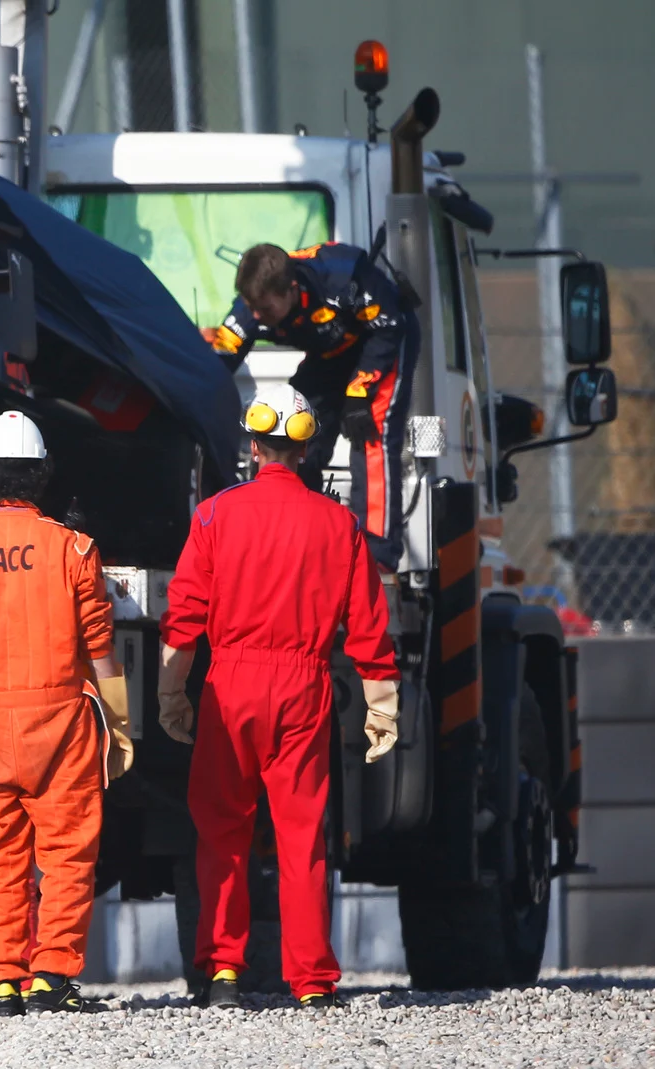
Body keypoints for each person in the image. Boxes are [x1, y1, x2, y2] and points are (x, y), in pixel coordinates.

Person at [156, 384, 401, 1011]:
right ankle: (312, 982)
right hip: (304, 686)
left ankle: (223, 972)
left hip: (231, 686)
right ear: (306, 449)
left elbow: (184, 615)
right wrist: (382, 705)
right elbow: (367, 624)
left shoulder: (215, 515)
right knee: (301, 835)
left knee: (222, 831)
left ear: (253, 446)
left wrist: (171, 693)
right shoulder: (338, 524)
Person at [0, 411, 134, 1017]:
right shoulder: (74, 548)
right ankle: (52, 977)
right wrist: (119, 724)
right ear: (42, 475)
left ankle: (5, 980)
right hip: (62, 724)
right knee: (65, 854)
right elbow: (100, 647)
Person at [206, 242, 419, 572]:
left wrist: (359, 391)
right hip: (330, 352)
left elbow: (390, 325)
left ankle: (377, 553)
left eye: (265, 309)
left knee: (370, 435)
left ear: (291, 290)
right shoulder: (251, 305)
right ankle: (296, 536)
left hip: (383, 340)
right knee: (292, 430)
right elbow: (219, 360)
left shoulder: (343, 279)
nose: (256, 316)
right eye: (251, 307)